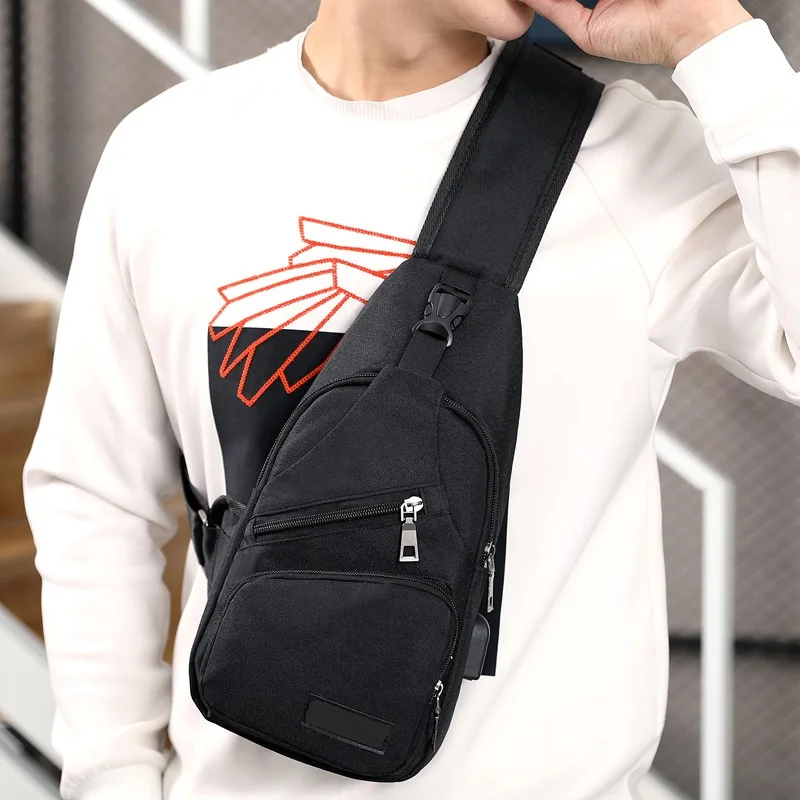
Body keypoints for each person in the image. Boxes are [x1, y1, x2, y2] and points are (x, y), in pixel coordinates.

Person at [23, 0, 800, 798]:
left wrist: (716, 40)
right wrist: (112, 777)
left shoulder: (632, 163)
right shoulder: (168, 153)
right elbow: (98, 499)